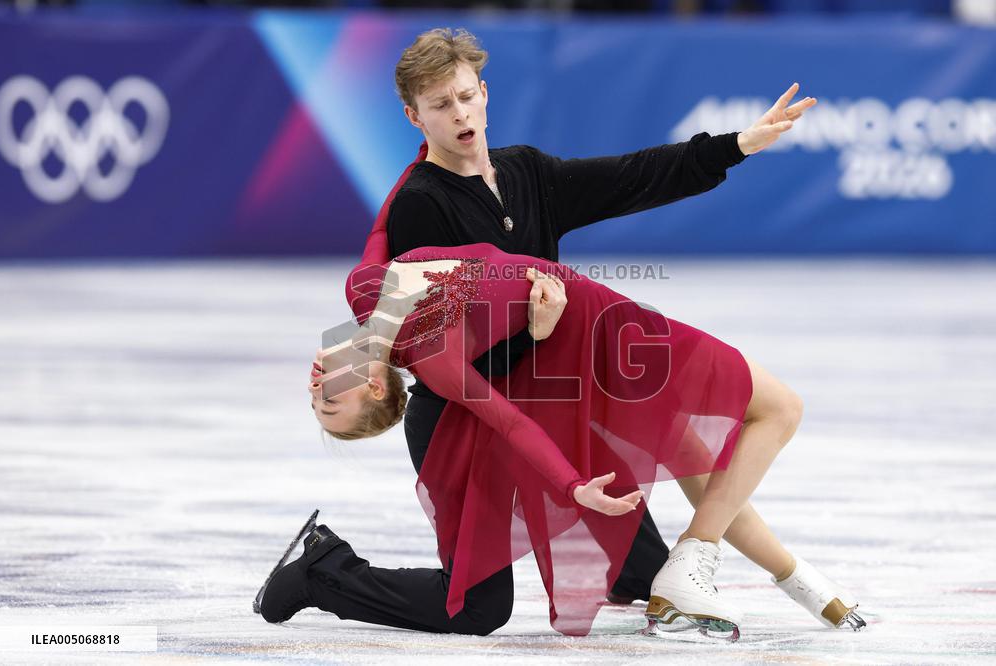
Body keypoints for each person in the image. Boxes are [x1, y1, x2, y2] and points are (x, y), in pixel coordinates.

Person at [257, 27, 852, 636]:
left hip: (548, 392)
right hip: (462, 417)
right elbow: (440, 341)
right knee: (476, 609)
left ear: (485, 93)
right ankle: (322, 571)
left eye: (466, 96)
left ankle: (779, 575)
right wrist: (537, 332)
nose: (459, 113)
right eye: (440, 104)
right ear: (415, 117)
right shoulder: (421, 204)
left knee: (646, 577)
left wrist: (738, 145)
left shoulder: (525, 172)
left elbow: (632, 176)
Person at [296, 241, 862, 637]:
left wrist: (428, 146)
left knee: (700, 456)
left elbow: (386, 231)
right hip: (602, 339)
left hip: (597, 316)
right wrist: (572, 487)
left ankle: (799, 580)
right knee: (778, 410)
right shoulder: (436, 362)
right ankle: (700, 565)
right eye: (329, 404)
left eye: (317, 398)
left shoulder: (360, 290)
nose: (315, 387)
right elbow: (512, 424)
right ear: (375, 388)